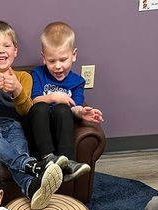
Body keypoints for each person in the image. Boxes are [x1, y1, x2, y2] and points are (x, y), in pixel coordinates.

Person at [0, 20, 64, 210]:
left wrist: (17, 90)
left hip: (13, 127)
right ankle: (31, 165)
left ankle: (31, 187)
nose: (1, 50)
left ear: (15, 51)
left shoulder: (24, 77)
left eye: (6, 46)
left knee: (18, 150)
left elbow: (26, 112)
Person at [29, 21, 104, 182]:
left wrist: (82, 112)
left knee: (62, 109)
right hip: (40, 128)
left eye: (63, 60)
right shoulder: (38, 73)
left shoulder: (77, 81)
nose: (58, 66)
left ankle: (67, 162)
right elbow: (34, 100)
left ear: (74, 55)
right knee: (40, 107)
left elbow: (75, 107)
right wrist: (53, 97)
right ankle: (47, 158)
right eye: (52, 61)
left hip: (61, 127)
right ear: (44, 58)